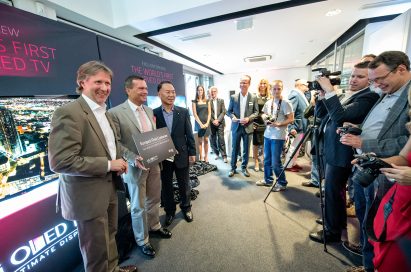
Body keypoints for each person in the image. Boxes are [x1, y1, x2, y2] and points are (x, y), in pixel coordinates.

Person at [48, 61, 137, 272]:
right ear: (82, 83)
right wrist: (108, 164)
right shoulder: (69, 112)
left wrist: (120, 161)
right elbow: (60, 161)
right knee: (95, 251)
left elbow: (111, 146)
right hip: (86, 196)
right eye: (98, 82)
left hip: (109, 189)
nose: (105, 88)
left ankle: (114, 269)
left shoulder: (104, 113)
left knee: (110, 237)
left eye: (108, 83)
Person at [340, 51, 411, 272]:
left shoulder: (406, 96)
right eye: (373, 81)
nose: (377, 85)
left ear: (401, 69)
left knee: (383, 228)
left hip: (394, 177)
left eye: (380, 79)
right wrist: (360, 134)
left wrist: (366, 144)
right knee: (367, 218)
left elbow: (403, 140)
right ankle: (368, 264)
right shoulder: (388, 92)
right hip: (374, 166)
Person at [309, 61, 380, 245]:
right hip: (332, 147)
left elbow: (340, 117)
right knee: (333, 190)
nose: (354, 80)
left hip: (343, 151)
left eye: (360, 76)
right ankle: (335, 220)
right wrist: (323, 96)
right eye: (353, 75)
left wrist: (330, 91)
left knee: (333, 190)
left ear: (370, 80)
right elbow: (324, 115)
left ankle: (332, 231)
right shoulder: (349, 95)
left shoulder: (368, 97)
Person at [108, 75, 172, 258]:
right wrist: (131, 157)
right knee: (137, 206)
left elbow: (152, 137)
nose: (145, 91)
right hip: (134, 168)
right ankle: (142, 240)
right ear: (128, 90)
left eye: (145, 88)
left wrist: (163, 150)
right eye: (141, 88)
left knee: (154, 199)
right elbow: (115, 143)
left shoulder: (149, 109)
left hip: (154, 163)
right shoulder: (115, 113)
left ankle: (154, 226)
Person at [153, 81, 196, 227]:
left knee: (184, 183)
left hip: (182, 154)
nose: (171, 95)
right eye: (167, 92)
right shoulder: (154, 113)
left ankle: (186, 207)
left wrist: (192, 152)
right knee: (166, 185)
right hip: (163, 156)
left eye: (173, 92)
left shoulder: (183, 112)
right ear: (159, 94)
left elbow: (189, 134)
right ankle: (170, 211)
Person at [255, 80, 294, 191]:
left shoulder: (286, 103)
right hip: (268, 134)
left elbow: (291, 119)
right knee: (266, 159)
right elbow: (263, 114)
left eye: (279, 88)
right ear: (271, 89)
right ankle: (268, 180)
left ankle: (282, 183)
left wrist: (279, 123)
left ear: (282, 89)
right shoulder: (268, 102)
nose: (276, 91)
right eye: (274, 89)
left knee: (275, 162)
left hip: (278, 136)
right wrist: (265, 119)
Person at [226, 75, 258, 178]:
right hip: (236, 127)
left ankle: (244, 168)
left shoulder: (253, 97)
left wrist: (249, 118)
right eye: (241, 82)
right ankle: (233, 168)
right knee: (235, 148)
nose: (242, 84)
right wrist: (232, 117)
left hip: (248, 127)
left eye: (245, 82)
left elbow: (256, 112)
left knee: (246, 150)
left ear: (249, 84)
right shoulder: (234, 97)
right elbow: (228, 111)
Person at [285, 79, 310, 172]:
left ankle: (293, 163)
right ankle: (288, 165)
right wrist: (291, 127)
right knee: (294, 146)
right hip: (297, 127)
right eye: (305, 85)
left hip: (301, 126)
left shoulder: (300, 94)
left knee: (297, 146)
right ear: (299, 85)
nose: (307, 88)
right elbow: (291, 112)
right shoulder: (295, 95)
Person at [252, 79, 270, 172]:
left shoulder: (270, 97)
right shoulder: (255, 97)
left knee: (263, 144)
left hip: (266, 124)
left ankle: (262, 161)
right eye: (261, 83)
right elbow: (253, 111)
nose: (262, 85)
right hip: (256, 123)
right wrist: (253, 122)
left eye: (264, 84)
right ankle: (255, 161)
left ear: (267, 86)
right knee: (255, 144)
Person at [192, 85, 211, 162]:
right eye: (199, 90)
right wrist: (200, 124)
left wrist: (207, 123)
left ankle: (206, 156)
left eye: (201, 90)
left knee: (206, 140)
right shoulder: (194, 101)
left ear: (203, 91)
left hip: (206, 123)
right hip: (198, 123)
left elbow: (209, 113)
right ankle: (201, 156)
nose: (200, 91)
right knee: (200, 141)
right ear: (197, 91)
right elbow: (195, 114)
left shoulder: (207, 101)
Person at [209, 86, 228, 163]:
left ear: (217, 92)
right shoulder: (208, 102)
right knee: (212, 139)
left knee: (221, 139)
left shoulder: (221, 101)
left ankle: (224, 156)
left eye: (214, 91)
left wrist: (218, 120)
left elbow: (224, 111)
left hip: (220, 123)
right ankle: (216, 153)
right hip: (212, 123)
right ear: (210, 93)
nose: (213, 93)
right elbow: (208, 113)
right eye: (212, 91)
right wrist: (213, 121)